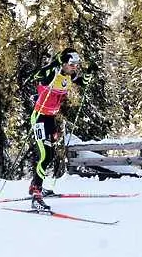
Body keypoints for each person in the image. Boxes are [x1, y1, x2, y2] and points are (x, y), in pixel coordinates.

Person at [27, 48, 91, 211]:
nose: (75, 67)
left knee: (50, 155)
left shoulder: (70, 75)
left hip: (51, 119)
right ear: (63, 63)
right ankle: (36, 194)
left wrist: (90, 73)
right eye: (71, 64)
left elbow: (82, 82)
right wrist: (55, 63)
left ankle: (35, 184)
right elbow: (36, 76)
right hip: (40, 117)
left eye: (77, 64)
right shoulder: (52, 73)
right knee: (45, 155)